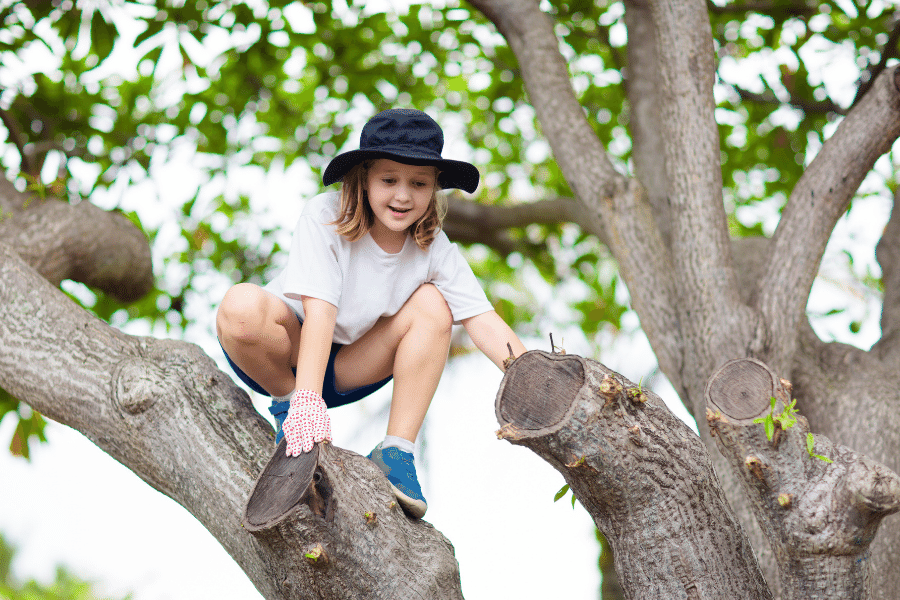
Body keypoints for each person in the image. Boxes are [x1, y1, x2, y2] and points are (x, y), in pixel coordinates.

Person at [216, 108, 527, 519]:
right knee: (239, 305)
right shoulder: (325, 215)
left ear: (434, 189)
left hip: (349, 366)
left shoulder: (434, 248)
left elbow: (483, 320)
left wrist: (532, 378)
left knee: (435, 303)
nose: (403, 196)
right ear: (363, 178)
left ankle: (396, 451)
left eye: (418, 184)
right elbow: (320, 311)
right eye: (389, 180)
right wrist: (305, 401)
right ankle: (288, 406)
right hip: (283, 353)